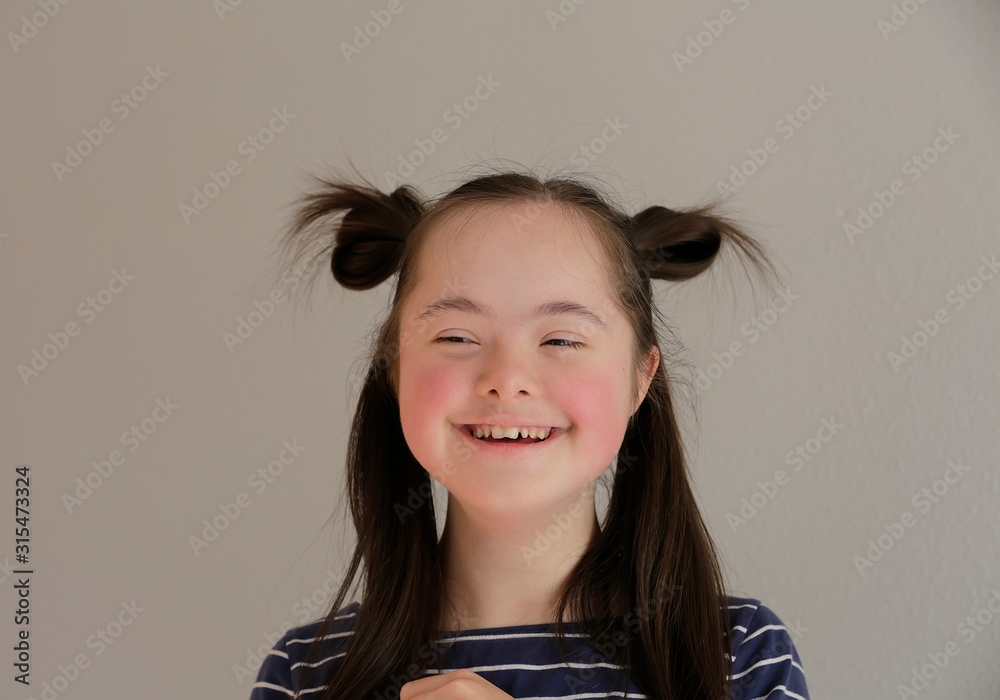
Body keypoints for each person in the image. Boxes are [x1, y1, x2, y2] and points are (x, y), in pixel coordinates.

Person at [249, 165, 810, 700]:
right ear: (394, 368)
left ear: (641, 379)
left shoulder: (737, 655)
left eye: (561, 340)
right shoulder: (306, 674)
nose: (507, 381)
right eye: (456, 336)